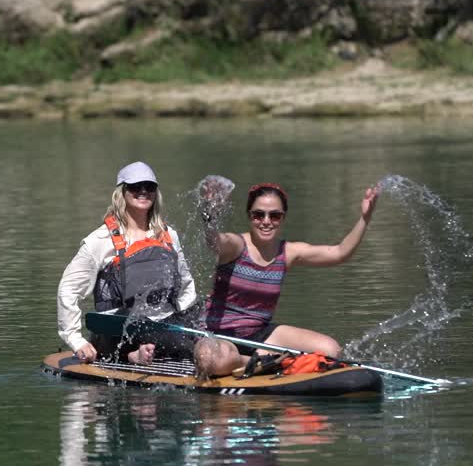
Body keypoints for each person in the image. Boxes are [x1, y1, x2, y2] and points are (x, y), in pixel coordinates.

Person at [193, 181, 379, 377]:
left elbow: (339, 252)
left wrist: (365, 218)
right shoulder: (236, 246)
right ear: (249, 216)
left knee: (331, 350)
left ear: (283, 218)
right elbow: (213, 240)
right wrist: (209, 212)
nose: (266, 221)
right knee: (208, 359)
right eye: (258, 215)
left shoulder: (288, 252)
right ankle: (259, 361)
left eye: (275, 215)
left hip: (260, 335)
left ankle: (263, 360)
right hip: (218, 336)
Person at [57, 161, 198, 365]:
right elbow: (67, 290)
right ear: (122, 193)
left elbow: (187, 284)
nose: (143, 192)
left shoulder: (169, 235)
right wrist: (76, 340)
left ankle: (152, 350)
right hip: (117, 330)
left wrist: (178, 319)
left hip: (163, 327)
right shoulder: (100, 240)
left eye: (149, 187)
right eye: (135, 187)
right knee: (148, 334)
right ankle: (132, 354)